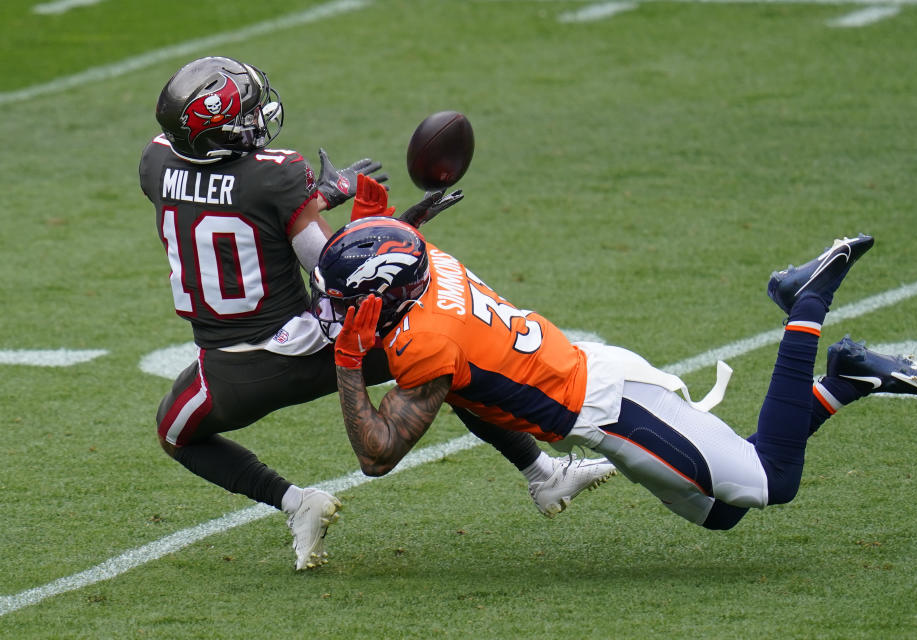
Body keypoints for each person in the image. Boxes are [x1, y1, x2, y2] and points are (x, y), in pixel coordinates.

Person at [138, 56, 614, 570]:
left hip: (229, 373)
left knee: (175, 432)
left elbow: (217, 199)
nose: (258, 119)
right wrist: (377, 225)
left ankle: (297, 503)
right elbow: (331, 272)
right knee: (442, 361)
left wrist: (315, 199)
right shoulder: (278, 176)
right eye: (247, 115)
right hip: (310, 346)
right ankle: (542, 472)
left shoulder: (156, 161)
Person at [312, 195, 917, 532]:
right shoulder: (429, 259)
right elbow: (400, 252)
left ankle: (807, 303)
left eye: (347, 300)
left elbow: (377, 455)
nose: (337, 310)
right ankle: (847, 379)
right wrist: (390, 219)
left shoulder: (426, 343)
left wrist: (347, 362)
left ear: (387, 292)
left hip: (612, 408)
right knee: (720, 512)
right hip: (593, 382)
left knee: (769, 483)